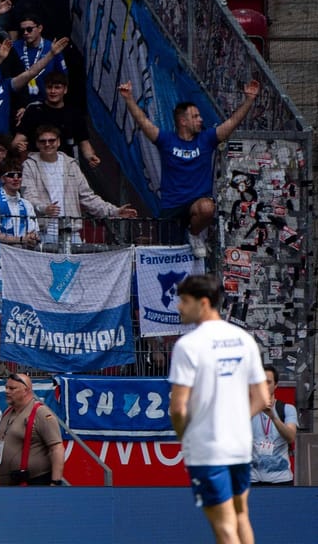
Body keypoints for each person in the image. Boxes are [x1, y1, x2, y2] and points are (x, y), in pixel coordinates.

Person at [168, 275, 267, 544]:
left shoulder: (188, 345)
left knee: (224, 527)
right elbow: (262, 397)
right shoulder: (243, 339)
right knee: (241, 516)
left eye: (184, 301)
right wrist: (234, 420)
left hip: (207, 449)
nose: (179, 307)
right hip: (240, 445)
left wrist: (184, 437)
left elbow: (177, 407)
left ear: (203, 303)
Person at [119, 80, 259, 257]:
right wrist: (129, 99)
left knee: (208, 207)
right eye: (195, 117)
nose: (201, 120)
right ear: (183, 121)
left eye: (200, 116)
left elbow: (231, 123)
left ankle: (194, 235)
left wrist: (249, 100)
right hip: (172, 206)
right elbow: (143, 122)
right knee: (166, 257)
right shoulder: (167, 140)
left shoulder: (206, 139)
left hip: (197, 204)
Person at [0, 373, 65, 486]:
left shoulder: (41, 413)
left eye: (12, 388)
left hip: (33, 484)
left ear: (26, 390)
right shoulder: (7, 413)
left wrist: (55, 482)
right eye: (6, 388)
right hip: (7, 485)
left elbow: (56, 448)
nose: (7, 391)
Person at [250, 364, 298, 485]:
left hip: (281, 480)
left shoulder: (287, 409)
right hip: (252, 480)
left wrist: (273, 417)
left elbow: (291, 437)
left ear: (275, 385)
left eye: (268, 382)